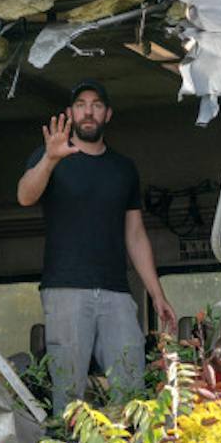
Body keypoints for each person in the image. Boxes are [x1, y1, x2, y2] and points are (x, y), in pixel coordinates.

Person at [16, 80, 175, 412]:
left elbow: (134, 234)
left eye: (96, 104)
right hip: (65, 289)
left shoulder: (123, 168)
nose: (88, 111)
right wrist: (48, 159)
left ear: (108, 114)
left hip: (117, 292)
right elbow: (25, 196)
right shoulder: (51, 156)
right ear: (71, 113)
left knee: (131, 385)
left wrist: (157, 293)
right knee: (69, 393)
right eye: (81, 104)